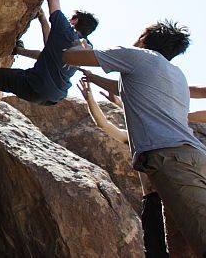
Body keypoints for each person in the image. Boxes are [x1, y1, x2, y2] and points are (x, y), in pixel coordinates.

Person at [63, 21, 206, 254]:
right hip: (192, 158)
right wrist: (91, 78)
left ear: (144, 38)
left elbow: (71, 56)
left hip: (171, 161)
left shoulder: (138, 56)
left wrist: (70, 35)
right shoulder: (173, 74)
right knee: (182, 248)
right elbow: (121, 86)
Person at [78, 78, 168, 257]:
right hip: (152, 202)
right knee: (154, 251)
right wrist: (90, 100)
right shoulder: (137, 138)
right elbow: (105, 125)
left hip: (170, 200)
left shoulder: (169, 137)